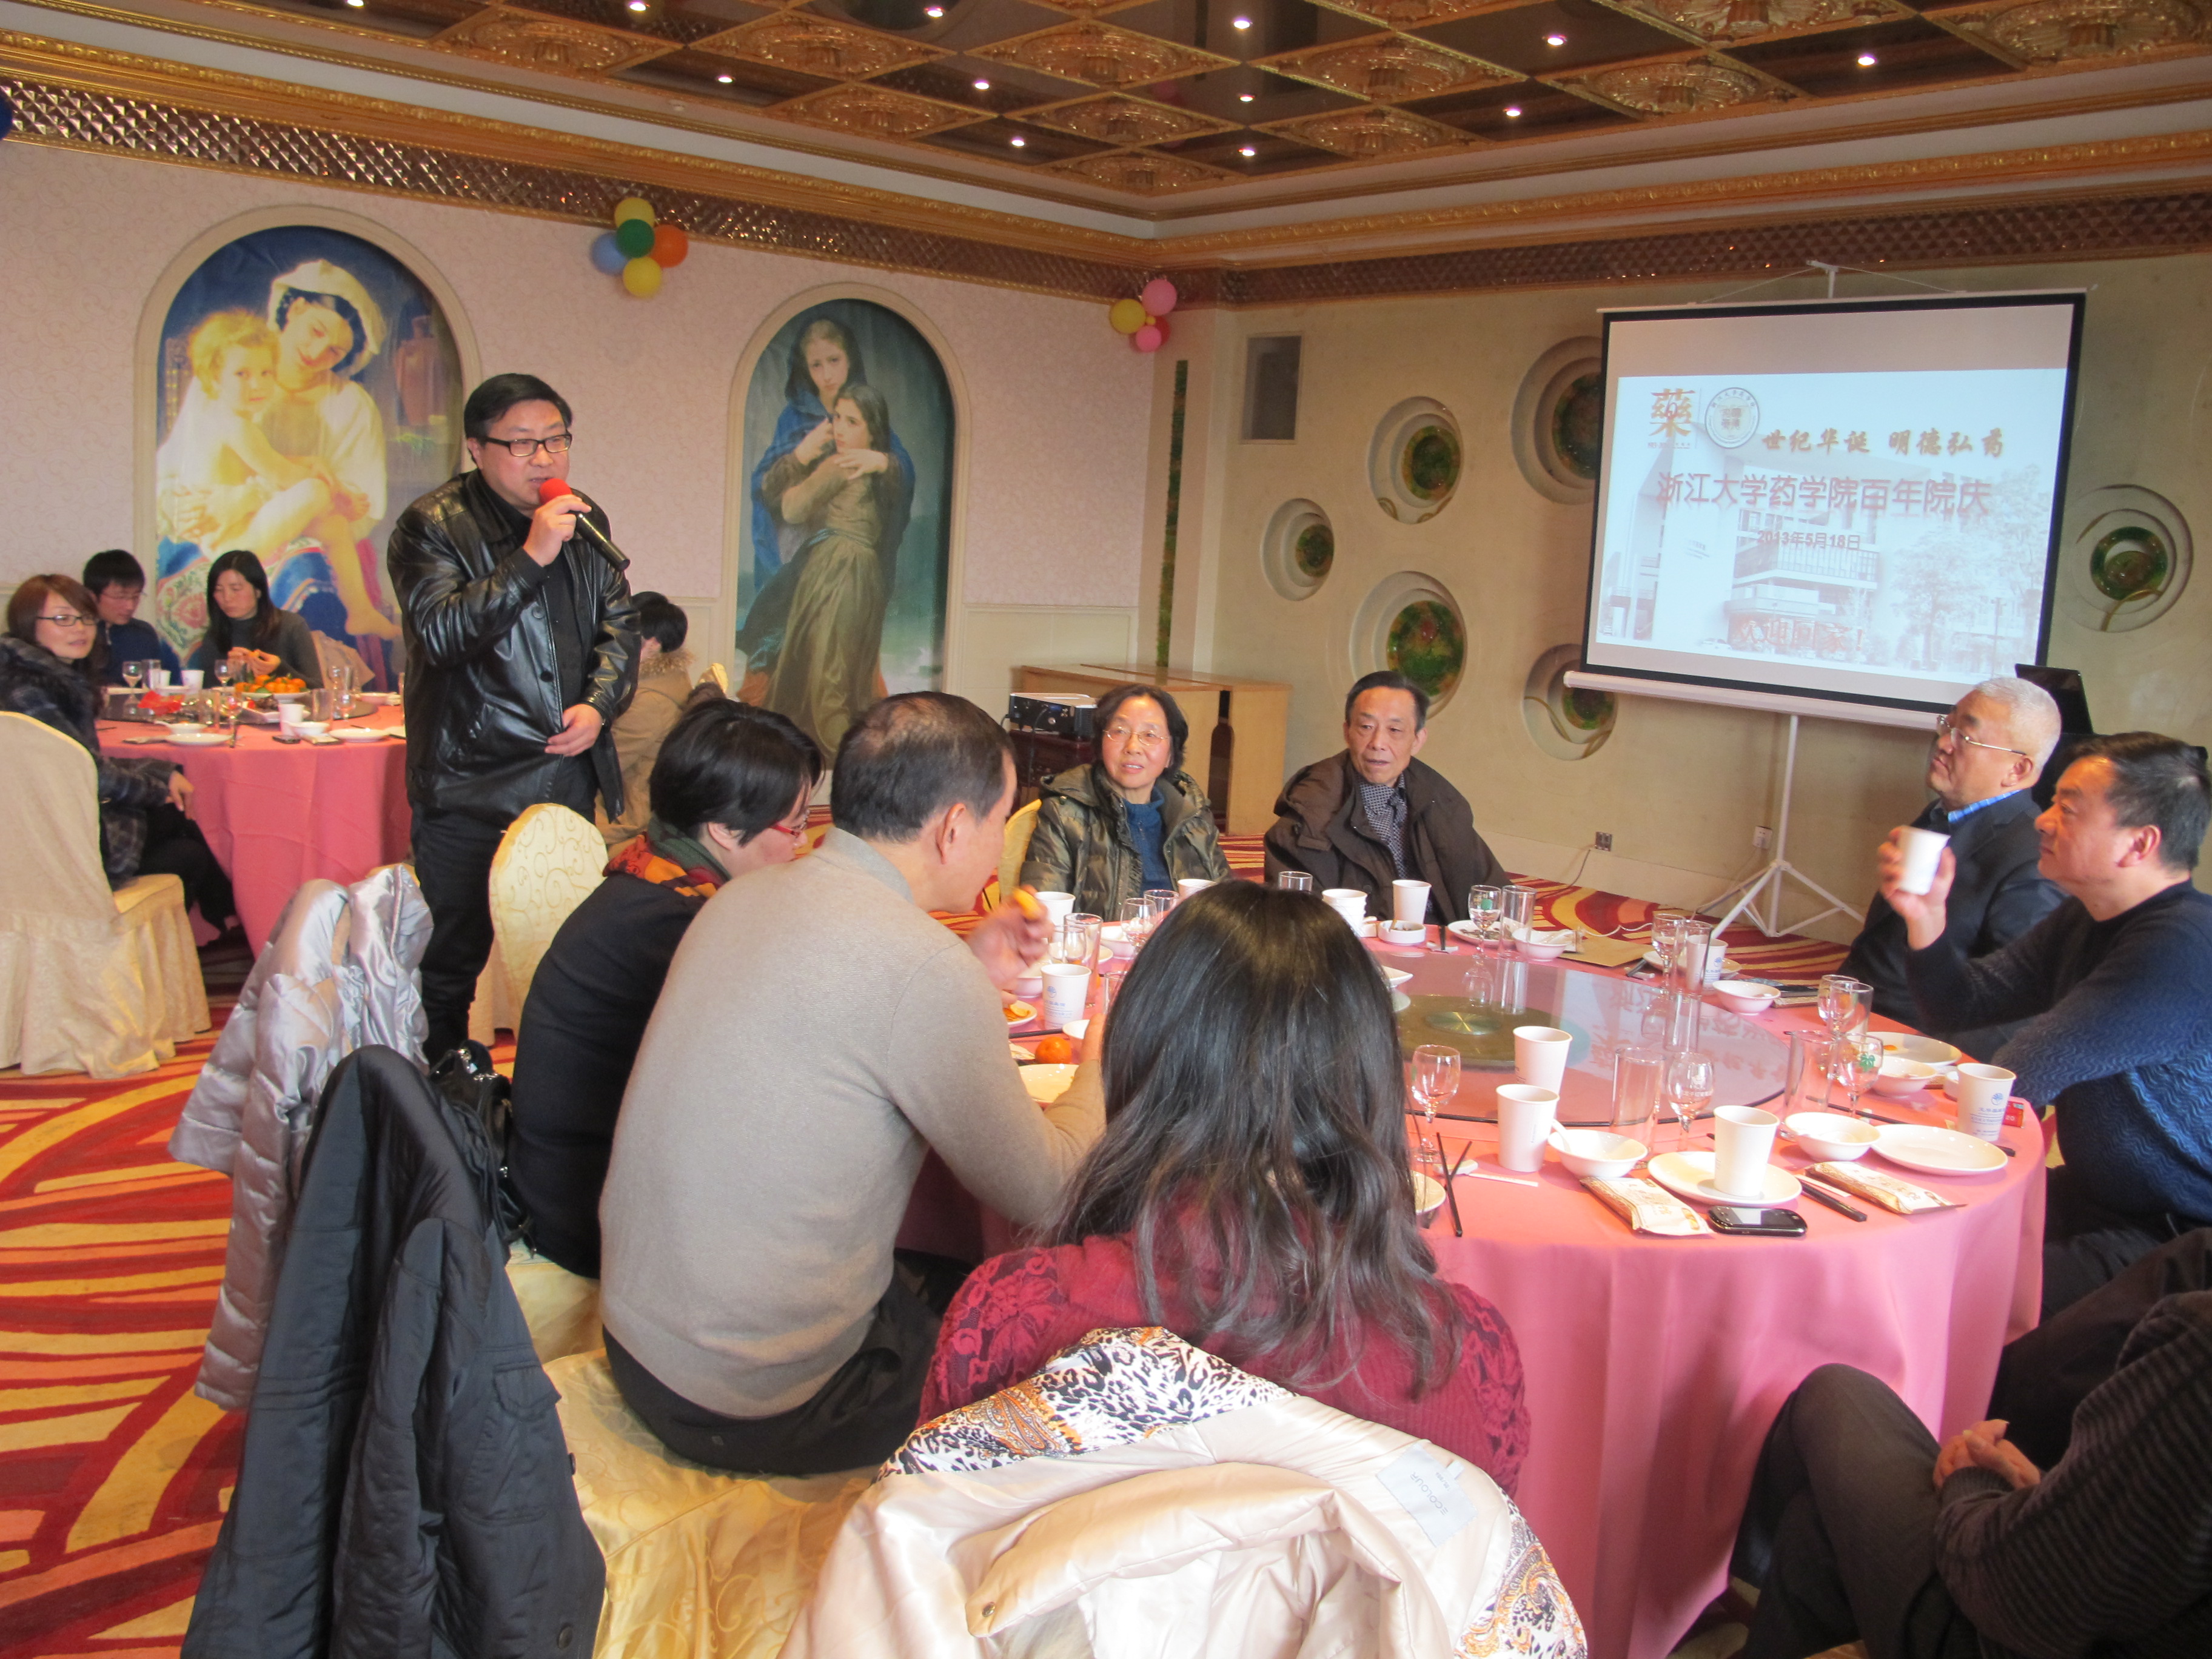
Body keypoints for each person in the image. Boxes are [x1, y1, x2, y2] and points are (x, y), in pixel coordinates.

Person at [597, 692, 1103, 1476]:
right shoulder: (919, 966)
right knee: (1059, 1354)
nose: (1000, 848)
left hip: (641, 1343)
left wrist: (968, 971)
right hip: (761, 1399)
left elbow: (843, 1016)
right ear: (953, 828)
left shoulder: (744, 894)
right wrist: (1107, 1050)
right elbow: (1049, 1191)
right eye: (1002, 820)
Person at [922, 880, 1530, 1493]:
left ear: (1140, 1061)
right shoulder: (1463, 1359)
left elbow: (934, 1529)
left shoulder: (1011, 1320)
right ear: (1368, 1081)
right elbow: (1480, 1546)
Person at [1885, 732, 2212, 1313]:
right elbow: (1961, 1003)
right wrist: (1926, 917)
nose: (2043, 820)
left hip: (2177, 1235)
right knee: (1915, 1247)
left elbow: (2022, 1073)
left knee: (1953, 1296)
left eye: (2069, 808)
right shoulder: (2090, 916)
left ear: (2139, 843)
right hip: (2094, 1196)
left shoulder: (2178, 947)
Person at [510, 700, 820, 1279]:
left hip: (573, 1174)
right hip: (591, 1212)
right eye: (796, 825)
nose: (801, 845)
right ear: (724, 829)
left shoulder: (651, 875)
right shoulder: (673, 927)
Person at [1728, 1296, 2212, 1659]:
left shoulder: (2199, 1353)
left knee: (1835, 1391)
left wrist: (1973, 1486)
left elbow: (2024, 1593)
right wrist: (2057, 1494)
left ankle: (1733, 1572)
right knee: (1821, 1521)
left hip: (1996, 1632)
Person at [386, 372, 640, 1060]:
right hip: (470, 779)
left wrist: (600, 705)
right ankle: (440, 1088)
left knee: (565, 950)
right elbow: (441, 635)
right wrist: (531, 557)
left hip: (563, 771)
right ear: (477, 448)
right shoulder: (431, 526)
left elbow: (620, 626)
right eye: (522, 444)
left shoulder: (582, 515)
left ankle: (552, 1086)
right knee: (449, 959)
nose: (544, 458)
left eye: (556, 441)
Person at [1840, 678, 2066, 1059]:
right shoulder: (1943, 814)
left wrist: (1930, 1066)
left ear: (2017, 769)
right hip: (1853, 1011)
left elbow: (2021, 1005)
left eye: (1967, 737)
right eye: (1948, 725)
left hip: (1914, 1044)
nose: (1944, 743)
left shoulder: (2031, 858)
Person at [2, 574, 235, 928]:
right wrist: (157, 785)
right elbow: (89, 774)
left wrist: (161, 772)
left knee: (181, 820)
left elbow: (80, 762)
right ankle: (218, 919)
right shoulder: (29, 691)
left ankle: (224, 915)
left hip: (49, 824)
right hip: (56, 842)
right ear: (27, 624)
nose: (80, 629)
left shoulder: (35, 676)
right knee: (184, 838)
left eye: (86, 617)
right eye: (63, 619)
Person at [736, 313, 917, 677]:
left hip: (846, 555)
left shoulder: (866, 411)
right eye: (816, 365)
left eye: (834, 360)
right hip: (801, 542)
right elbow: (768, 487)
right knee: (801, 636)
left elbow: (900, 469)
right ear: (805, 368)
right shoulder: (794, 419)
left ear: (850, 360)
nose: (827, 374)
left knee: (836, 650)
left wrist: (883, 461)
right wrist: (802, 454)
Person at [1265, 669, 1506, 924]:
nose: (1378, 743)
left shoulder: (1442, 803)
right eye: (1366, 727)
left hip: (1442, 942)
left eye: (1395, 729)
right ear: (1347, 732)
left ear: (1418, 740)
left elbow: (1492, 896)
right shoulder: (1311, 811)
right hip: (1358, 944)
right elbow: (1295, 920)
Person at [759, 383, 912, 757]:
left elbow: (792, 509)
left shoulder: (841, 465)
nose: (840, 429)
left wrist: (800, 459)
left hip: (835, 571)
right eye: (837, 418)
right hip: (863, 574)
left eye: (852, 421)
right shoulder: (881, 471)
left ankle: (846, 766)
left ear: (872, 430)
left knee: (825, 677)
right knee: (844, 677)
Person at [1019, 683, 1232, 919]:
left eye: (1150, 735)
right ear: (1101, 742)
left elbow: (1229, 906)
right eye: (1120, 732)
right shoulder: (1065, 812)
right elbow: (1044, 914)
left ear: (1171, 755)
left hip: (1181, 942)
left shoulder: (1193, 815)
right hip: (1099, 942)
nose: (1133, 747)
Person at [595, 594, 696, 848]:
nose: (613, 642)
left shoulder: (651, 702)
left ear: (652, 644)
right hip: (629, 796)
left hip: (627, 813)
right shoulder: (667, 679)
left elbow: (603, 767)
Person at [187, 550, 325, 688]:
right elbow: (208, 694)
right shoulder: (215, 635)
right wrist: (229, 675)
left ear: (258, 591)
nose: (227, 598)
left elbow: (317, 688)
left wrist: (279, 669)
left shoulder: (291, 625)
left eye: (236, 589)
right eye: (219, 590)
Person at [82, 550, 180, 686]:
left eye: (136, 597)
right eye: (120, 597)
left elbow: (169, 683)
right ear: (92, 596)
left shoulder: (144, 634)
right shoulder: (77, 633)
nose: (130, 606)